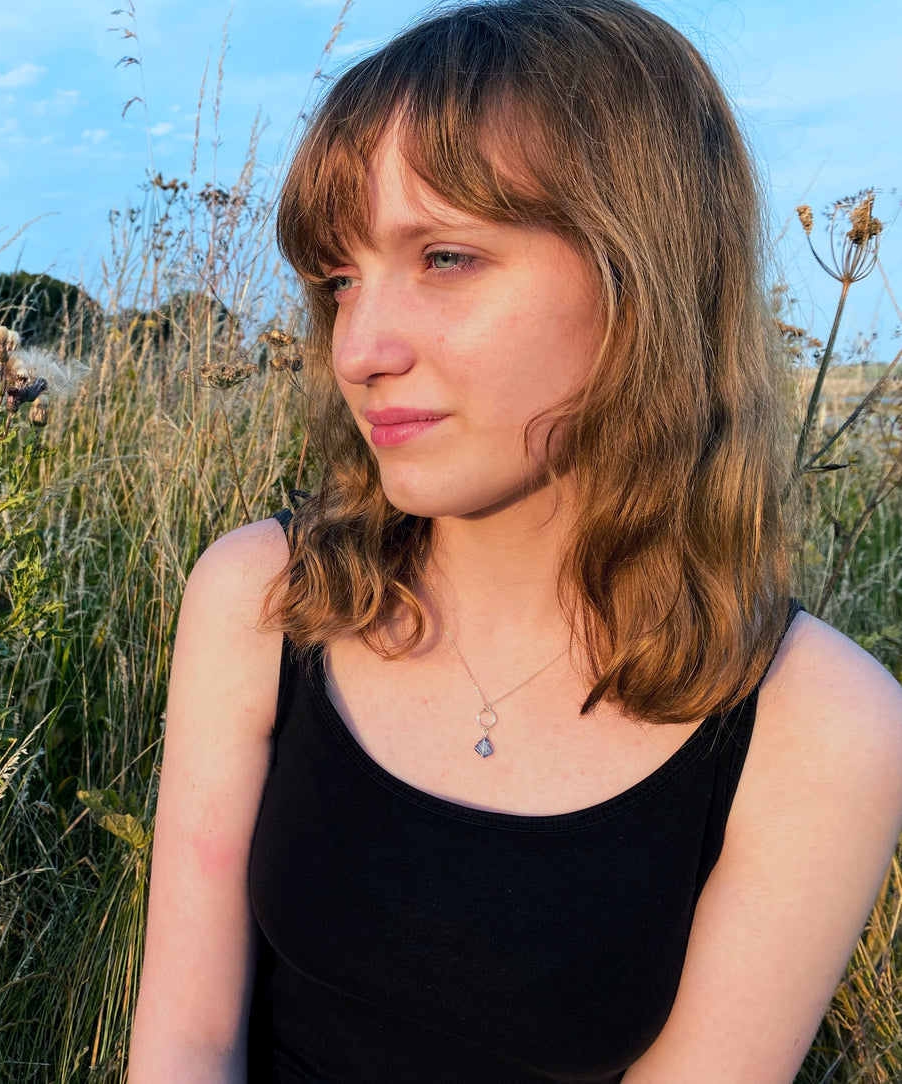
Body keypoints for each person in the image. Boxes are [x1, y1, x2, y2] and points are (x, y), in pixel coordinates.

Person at [126, 0, 902, 1081]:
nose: (358, 348)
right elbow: (185, 1040)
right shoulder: (263, 598)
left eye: (443, 256)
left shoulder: (817, 725)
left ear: (643, 276)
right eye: (339, 279)